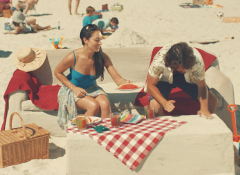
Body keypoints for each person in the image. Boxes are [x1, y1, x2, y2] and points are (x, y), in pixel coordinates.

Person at [54, 24, 131, 123]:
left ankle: (104, 132)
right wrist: (74, 88)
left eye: (101, 39)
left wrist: (127, 83)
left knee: (105, 104)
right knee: (93, 106)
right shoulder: (73, 57)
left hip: (92, 88)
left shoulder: (102, 57)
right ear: (85, 40)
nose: (100, 43)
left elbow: (118, 80)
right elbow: (57, 72)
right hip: (72, 89)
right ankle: (79, 133)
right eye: (97, 40)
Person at [146, 42, 218, 119]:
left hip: (189, 78)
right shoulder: (159, 61)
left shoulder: (197, 60)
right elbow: (150, 85)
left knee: (212, 101)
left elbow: (202, 86)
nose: (184, 70)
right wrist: (164, 102)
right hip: (165, 79)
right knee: (155, 110)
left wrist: (204, 108)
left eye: (187, 67)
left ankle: (202, 125)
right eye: (181, 69)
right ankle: (169, 124)